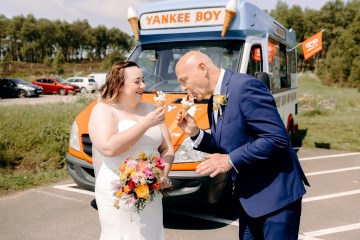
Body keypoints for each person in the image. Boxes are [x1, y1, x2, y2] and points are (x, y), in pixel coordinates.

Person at [175, 51, 310, 240]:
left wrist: (230, 160)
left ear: (202, 69)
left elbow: (276, 138)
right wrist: (195, 133)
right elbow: (225, 144)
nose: (183, 88)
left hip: (275, 198)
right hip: (248, 200)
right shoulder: (213, 98)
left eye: (184, 80)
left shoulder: (245, 86)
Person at [88, 61, 174, 240]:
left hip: (151, 190)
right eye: (137, 82)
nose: (143, 86)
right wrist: (146, 123)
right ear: (119, 85)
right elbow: (109, 147)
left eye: (143, 80)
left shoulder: (151, 109)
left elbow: (167, 148)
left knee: (151, 233)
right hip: (117, 190)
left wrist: (161, 176)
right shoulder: (103, 110)